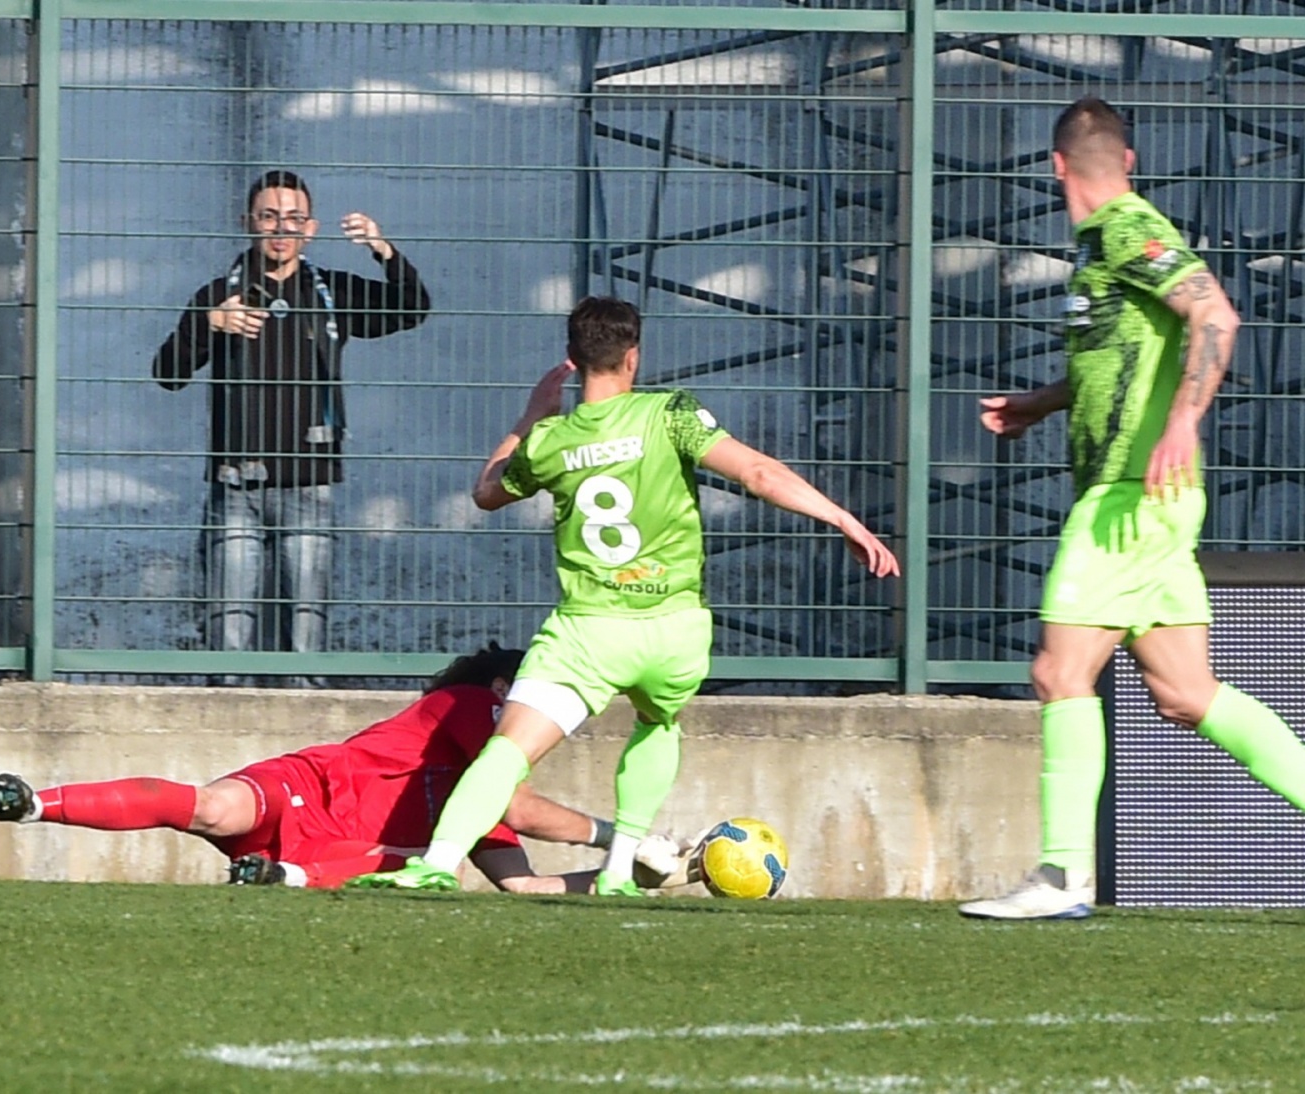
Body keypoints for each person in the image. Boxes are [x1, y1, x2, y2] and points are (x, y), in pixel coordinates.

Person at [348, 296, 899, 896]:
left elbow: (486, 492)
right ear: (632, 356)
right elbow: (759, 474)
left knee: (509, 750)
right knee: (657, 724)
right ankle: (616, 872)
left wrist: (529, 417)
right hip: (674, 626)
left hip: (590, 629)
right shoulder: (670, 414)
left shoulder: (550, 441)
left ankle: (437, 864)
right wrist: (842, 518)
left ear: (573, 358)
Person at [959, 97, 1305, 921]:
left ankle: (1062, 876)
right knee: (1186, 692)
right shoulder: (1101, 247)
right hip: (1151, 503)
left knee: (1059, 673)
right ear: (1129, 159)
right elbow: (1122, 359)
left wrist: (1183, 421)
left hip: (1128, 498)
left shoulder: (1127, 230)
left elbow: (1214, 313)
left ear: (1055, 167)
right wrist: (1042, 402)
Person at [0, 643, 682, 893]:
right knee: (212, 808)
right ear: (505, 689)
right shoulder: (468, 705)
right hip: (309, 785)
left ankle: (277, 877)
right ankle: (33, 802)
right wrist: (620, 836)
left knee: (411, 865)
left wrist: (633, 876)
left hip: (335, 854)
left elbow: (524, 885)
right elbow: (522, 808)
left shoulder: (478, 801)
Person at [152, 170, 431, 674]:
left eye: (294, 218)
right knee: (227, 636)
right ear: (248, 222)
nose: (282, 227)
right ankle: (228, 709)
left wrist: (382, 249)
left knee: (306, 640)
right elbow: (168, 375)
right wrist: (207, 324)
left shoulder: (331, 293)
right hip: (235, 485)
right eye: (269, 216)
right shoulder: (221, 295)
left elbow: (411, 309)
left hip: (310, 483)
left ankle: (304, 712)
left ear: (311, 228)